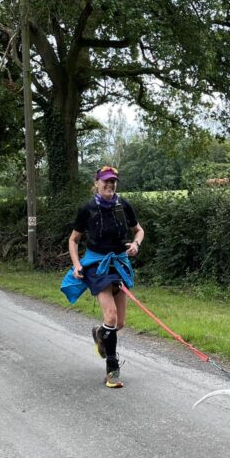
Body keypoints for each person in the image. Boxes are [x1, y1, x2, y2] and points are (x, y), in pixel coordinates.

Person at [60, 165, 144, 388]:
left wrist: (136, 244)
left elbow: (139, 230)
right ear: (96, 184)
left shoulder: (123, 205)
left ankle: (99, 333)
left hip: (119, 263)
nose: (110, 185)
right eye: (105, 181)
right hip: (97, 265)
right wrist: (77, 264)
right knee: (111, 316)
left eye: (113, 181)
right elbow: (73, 240)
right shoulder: (87, 209)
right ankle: (112, 370)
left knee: (120, 323)